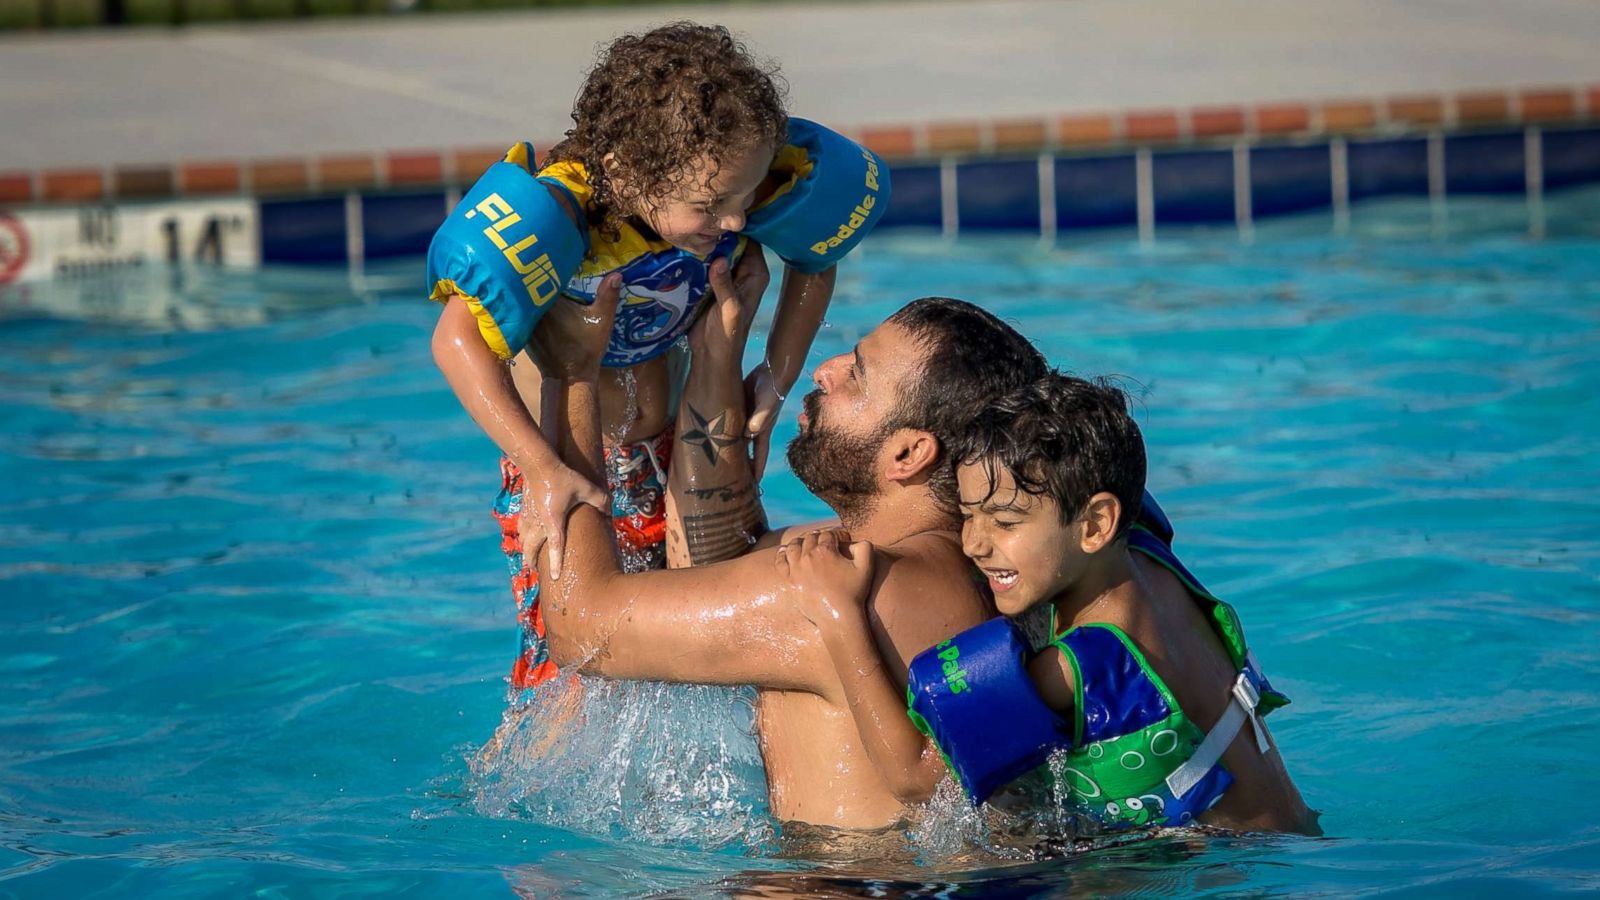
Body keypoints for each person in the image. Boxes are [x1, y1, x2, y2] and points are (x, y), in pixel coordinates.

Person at [427, 23, 890, 692]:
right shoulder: (562, 217)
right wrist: (542, 470)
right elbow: (454, 341)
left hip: (672, 445)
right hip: (567, 462)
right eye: (711, 205)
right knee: (569, 673)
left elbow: (817, 257)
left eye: (745, 198)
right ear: (623, 172)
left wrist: (776, 376)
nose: (735, 222)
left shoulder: (727, 173)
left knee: (699, 637)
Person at [526, 260, 1048, 830]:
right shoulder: (952, 569)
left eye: (859, 376)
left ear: (908, 454)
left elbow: (581, 626)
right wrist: (716, 355)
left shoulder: (851, 592)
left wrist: (571, 374)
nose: (825, 371)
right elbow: (718, 554)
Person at [778, 373, 1320, 835]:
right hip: (1290, 840)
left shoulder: (1076, 667)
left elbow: (915, 778)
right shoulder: (1149, 556)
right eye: (968, 515)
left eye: (1006, 522)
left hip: (1219, 874)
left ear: (1095, 524)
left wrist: (836, 612)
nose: (974, 543)